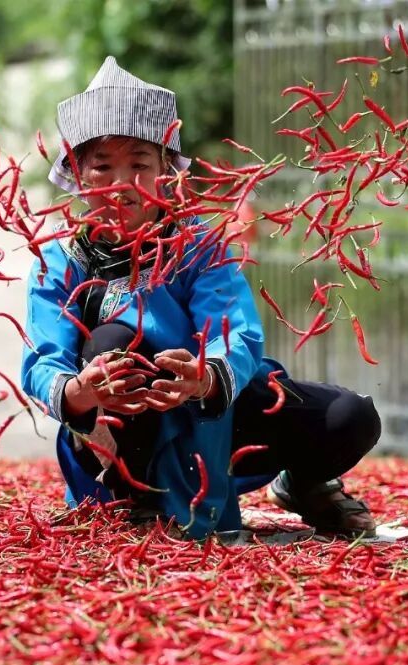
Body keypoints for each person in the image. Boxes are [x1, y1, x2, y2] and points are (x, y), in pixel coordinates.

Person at [20, 57, 381, 539]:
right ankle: (139, 496)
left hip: (213, 411)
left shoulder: (201, 246)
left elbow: (237, 333)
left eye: (139, 165)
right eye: (102, 168)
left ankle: (305, 483)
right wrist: (82, 390)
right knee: (110, 342)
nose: (120, 184)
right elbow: (44, 359)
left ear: (167, 172)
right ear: (78, 178)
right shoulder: (59, 261)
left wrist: (204, 377)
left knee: (348, 417)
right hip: (124, 428)